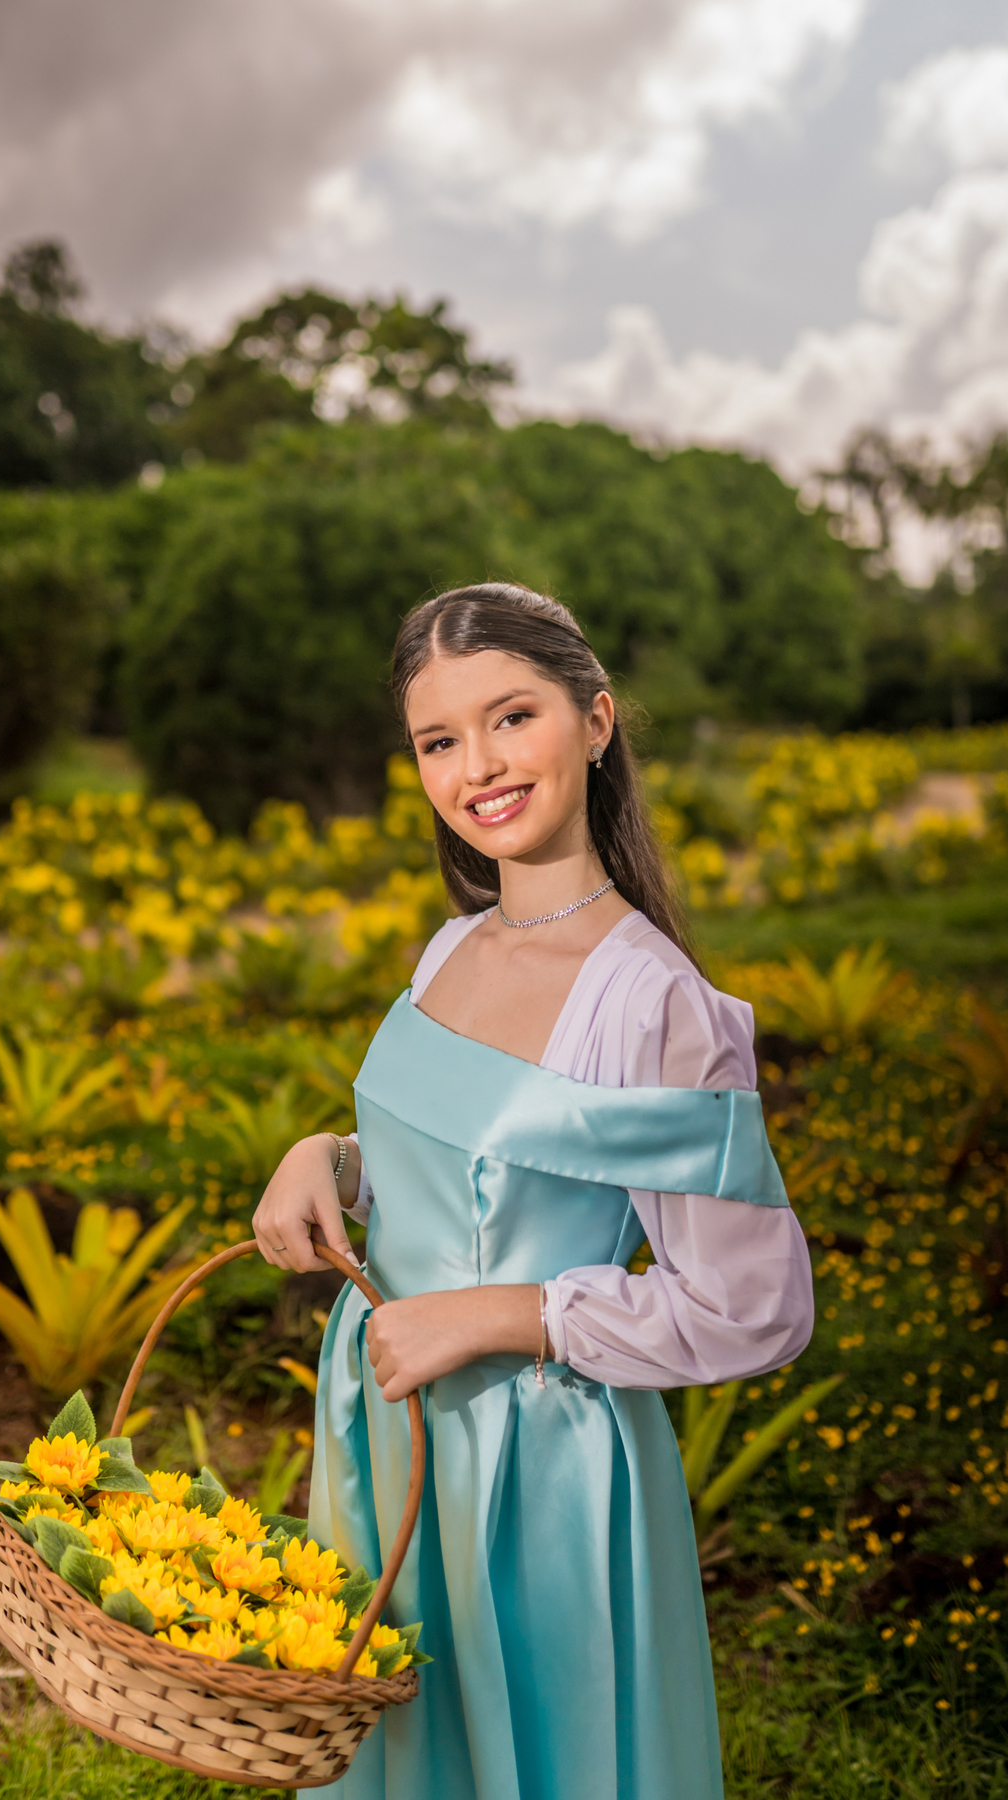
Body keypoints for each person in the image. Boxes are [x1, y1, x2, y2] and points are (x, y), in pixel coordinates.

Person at [253, 583, 814, 1800]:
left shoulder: (659, 1005)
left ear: (597, 720)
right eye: (439, 741)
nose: (479, 768)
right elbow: (453, 1167)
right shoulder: (452, 946)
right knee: (405, 1749)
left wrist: (502, 1315)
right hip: (388, 1428)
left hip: (537, 1466)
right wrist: (330, 1160)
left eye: (512, 718)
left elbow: (754, 1307)